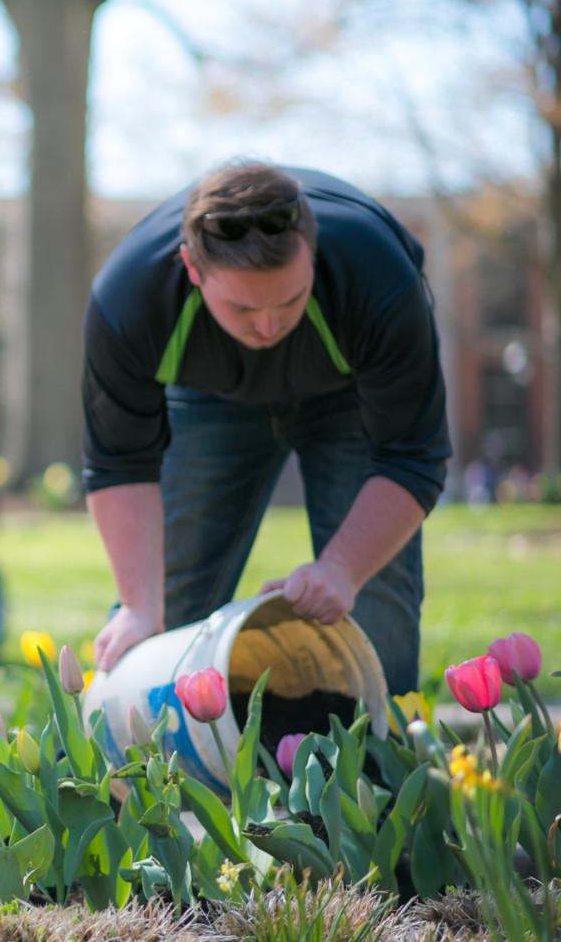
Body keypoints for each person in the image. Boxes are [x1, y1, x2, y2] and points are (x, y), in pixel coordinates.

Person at [83, 161, 448, 695]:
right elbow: (119, 463)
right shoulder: (128, 299)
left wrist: (342, 569)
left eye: (290, 299)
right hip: (210, 399)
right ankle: (149, 770)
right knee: (163, 603)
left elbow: (414, 454)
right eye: (243, 307)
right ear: (191, 267)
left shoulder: (379, 276)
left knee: (372, 597)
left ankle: (376, 769)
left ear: (313, 256)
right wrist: (139, 605)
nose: (269, 325)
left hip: (349, 399)